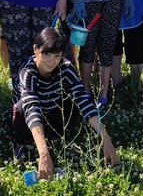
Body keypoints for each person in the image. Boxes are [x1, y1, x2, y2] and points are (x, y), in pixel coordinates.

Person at [13, 28, 118, 178]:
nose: (51, 61)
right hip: (27, 120)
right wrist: (43, 152)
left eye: (57, 56)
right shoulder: (27, 72)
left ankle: (57, 138)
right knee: (21, 106)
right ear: (36, 49)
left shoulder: (66, 67)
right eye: (46, 54)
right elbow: (32, 109)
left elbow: (83, 101)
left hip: (50, 111)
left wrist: (106, 138)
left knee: (74, 98)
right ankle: (21, 145)